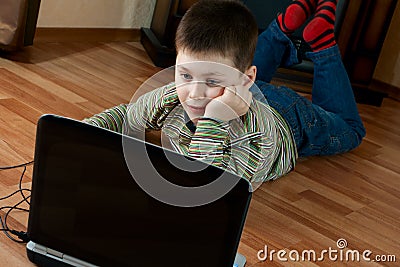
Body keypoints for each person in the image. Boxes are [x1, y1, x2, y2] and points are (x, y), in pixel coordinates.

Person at [84, 0, 365, 183]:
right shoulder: (176, 93)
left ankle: (324, 44)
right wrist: (79, 133)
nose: (193, 93)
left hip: (288, 119)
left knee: (350, 130)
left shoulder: (257, 138)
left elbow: (204, 182)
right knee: (236, 60)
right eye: (185, 74)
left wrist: (216, 118)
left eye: (209, 81)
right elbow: (128, 115)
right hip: (240, 85)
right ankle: (279, 31)